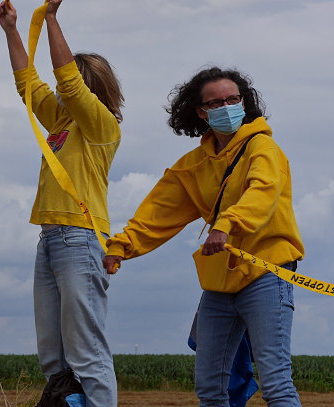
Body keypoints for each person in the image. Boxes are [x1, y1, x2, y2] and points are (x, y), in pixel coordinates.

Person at [103, 67, 303, 406]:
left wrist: (226, 224)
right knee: (210, 389)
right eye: (215, 102)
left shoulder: (263, 149)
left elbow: (263, 192)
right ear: (200, 112)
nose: (226, 106)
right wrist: (120, 248)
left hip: (267, 273)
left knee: (276, 384)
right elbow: (158, 213)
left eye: (233, 99)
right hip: (219, 282)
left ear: (244, 102)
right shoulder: (193, 165)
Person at [0, 0, 123, 406]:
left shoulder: (102, 125)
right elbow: (28, 84)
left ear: (93, 87)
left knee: (87, 354)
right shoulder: (61, 121)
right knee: (54, 358)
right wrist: (12, 29)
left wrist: (51, 19)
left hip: (80, 237)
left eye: (75, 83)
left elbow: (66, 82)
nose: (64, 85)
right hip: (51, 238)